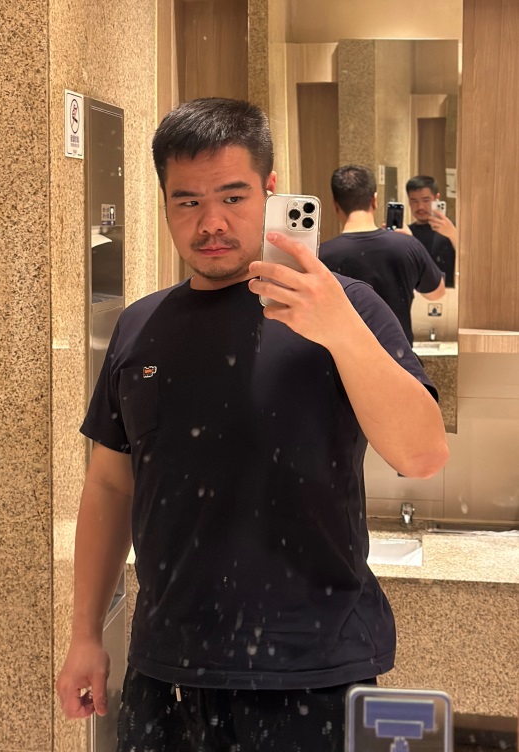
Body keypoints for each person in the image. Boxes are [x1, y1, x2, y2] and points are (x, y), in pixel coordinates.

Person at [56, 98, 449, 752]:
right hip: (165, 675)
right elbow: (110, 485)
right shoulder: (139, 326)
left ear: (270, 191)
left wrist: (340, 332)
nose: (211, 222)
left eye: (233, 197)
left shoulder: (348, 308)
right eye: (187, 201)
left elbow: (422, 455)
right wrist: (85, 634)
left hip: (314, 675)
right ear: (164, 202)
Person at [320, 165, 445, 346]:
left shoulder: (321, 255)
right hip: (398, 357)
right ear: (374, 200)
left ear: (335, 205)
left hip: (343, 360)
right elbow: (436, 293)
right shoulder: (408, 245)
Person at [405, 175, 457, 287]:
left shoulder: (454, 228)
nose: (420, 207)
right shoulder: (407, 232)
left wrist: (454, 235)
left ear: (436, 198)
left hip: (449, 293)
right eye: (414, 201)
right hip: (414, 293)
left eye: (426, 200)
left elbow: (470, 260)